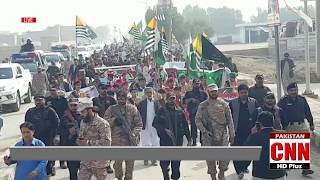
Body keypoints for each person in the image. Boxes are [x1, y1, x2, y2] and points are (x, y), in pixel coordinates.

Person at [195, 83, 235, 180]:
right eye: (212, 91)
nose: (214, 93)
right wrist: (204, 131)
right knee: (210, 158)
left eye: (215, 91)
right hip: (208, 136)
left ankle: (222, 172)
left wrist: (232, 134)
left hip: (222, 135)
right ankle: (213, 176)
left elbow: (230, 120)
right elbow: (197, 120)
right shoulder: (203, 105)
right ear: (208, 92)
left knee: (224, 156)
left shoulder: (224, 104)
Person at [104, 90, 143, 180]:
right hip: (116, 141)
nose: (121, 99)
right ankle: (119, 178)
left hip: (130, 140)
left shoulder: (132, 109)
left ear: (126, 98)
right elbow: (105, 123)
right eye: (119, 97)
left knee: (130, 166)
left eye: (123, 97)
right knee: (117, 165)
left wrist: (133, 133)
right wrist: (114, 120)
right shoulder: (111, 109)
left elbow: (139, 124)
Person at [153, 92, 192, 180]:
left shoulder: (179, 111)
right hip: (165, 140)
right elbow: (155, 123)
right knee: (164, 163)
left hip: (178, 140)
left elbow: (185, 126)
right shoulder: (161, 110)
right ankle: (166, 176)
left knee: (176, 163)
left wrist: (189, 139)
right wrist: (164, 130)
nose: (172, 100)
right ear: (167, 99)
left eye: (173, 98)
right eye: (170, 98)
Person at [277, 82, 314, 176]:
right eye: (292, 90)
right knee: (289, 147)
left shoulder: (302, 99)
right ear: (287, 91)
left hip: (302, 125)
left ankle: (305, 168)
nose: (294, 92)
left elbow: (308, 111)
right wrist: (281, 126)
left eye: (295, 90)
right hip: (290, 126)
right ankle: (286, 167)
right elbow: (277, 113)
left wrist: (311, 123)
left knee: (304, 147)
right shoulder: (283, 101)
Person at [243, 111, 287, 180]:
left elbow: (246, 154)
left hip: (260, 174)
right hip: (279, 174)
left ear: (259, 123)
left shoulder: (255, 137)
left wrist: (251, 134)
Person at [25, 95, 60, 176]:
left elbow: (57, 123)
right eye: (36, 100)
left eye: (40, 100)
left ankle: (51, 168)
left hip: (49, 136)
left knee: (50, 154)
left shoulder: (50, 111)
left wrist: (57, 135)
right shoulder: (30, 112)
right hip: (35, 137)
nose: (38, 102)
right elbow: (26, 125)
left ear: (44, 101)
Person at [77, 99, 111, 180]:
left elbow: (107, 143)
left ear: (89, 110)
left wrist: (88, 143)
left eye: (83, 112)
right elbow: (82, 137)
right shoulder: (83, 122)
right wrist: (79, 141)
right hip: (85, 161)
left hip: (99, 162)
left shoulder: (102, 123)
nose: (81, 114)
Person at [229, 84, 258, 179]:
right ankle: (239, 170)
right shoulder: (232, 103)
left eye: (245, 92)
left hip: (250, 133)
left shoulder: (253, 102)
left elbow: (258, 116)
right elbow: (228, 119)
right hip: (236, 132)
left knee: (249, 152)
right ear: (238, 93)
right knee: (236, 152)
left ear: (248, 92)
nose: (244, 94)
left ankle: (244, 167)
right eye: (242, 93)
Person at [45, 87, 69, 169]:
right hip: (51, 126)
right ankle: (52, 165)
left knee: (62, 144)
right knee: (52, 145)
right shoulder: (47, 100)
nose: (53, 92)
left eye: (54, 90)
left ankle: (62, 162)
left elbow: (67, 110)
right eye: (51, 90)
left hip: (62, 125)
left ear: (57, 91)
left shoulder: (63, 99)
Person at [137, 87, 160, 166]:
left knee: (155, 142)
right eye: (147, 92)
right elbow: (138, 114)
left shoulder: (157, 103)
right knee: (145, 143)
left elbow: (160, 114)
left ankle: (154, 159)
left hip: (155, 126)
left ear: (153, 93)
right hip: (145, 126)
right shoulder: (141, 103)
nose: (149, 94)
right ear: (145, 94)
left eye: (150, 92)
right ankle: (146, 158)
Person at [60, 98, 81, 180]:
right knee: (72, 171)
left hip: (81, 147)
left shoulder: (82, 116)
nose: (73, 107)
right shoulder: (64, 117)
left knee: (84, 171)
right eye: (71, 105)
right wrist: (69, 132)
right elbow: (60, 131)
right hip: (70, 146)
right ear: (68, 105)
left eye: (75, 105)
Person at [183, 79, 208, 146]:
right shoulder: (189, 93)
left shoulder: (203, 93)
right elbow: (184, 101)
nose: (197, 85)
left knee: (202, 128)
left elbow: (207, 103)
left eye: (198, 83)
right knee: (193, 128)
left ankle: (202, 142)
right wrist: (191, 100)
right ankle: (194, 141)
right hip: (193, 113)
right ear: (193, 84)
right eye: (196, 83)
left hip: (202, 114)